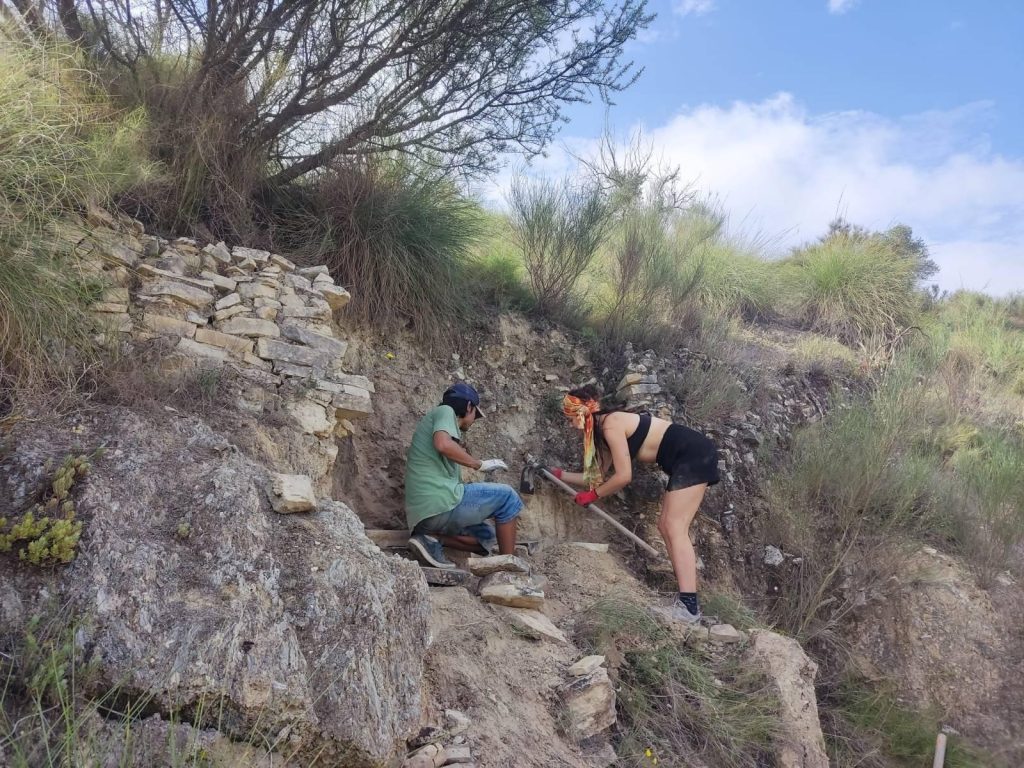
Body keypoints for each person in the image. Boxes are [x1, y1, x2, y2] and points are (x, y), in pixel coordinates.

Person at [551, 384, 719, 623]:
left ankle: (689, 607)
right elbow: (594, 478)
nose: (570, 425)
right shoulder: (600, 433)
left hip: (694, 453)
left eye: (571, 419)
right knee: (665, 526)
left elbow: (623, 476)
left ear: (582, 413)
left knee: (674, 526)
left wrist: (593, 496)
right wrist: (559, 474)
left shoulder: (611, 424)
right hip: (686, 457)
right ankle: (686, 600)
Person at [404, 382, 523, 569]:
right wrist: (478, 464)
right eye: (476, 414)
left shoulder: (436, 423)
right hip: (439, 505)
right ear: (469, 406)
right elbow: (443, 444)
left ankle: (431, 539)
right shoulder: (445, 411)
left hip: (425, 519)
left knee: (487, 539)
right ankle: (509, 568)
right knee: (508, 497)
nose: (474, 420)